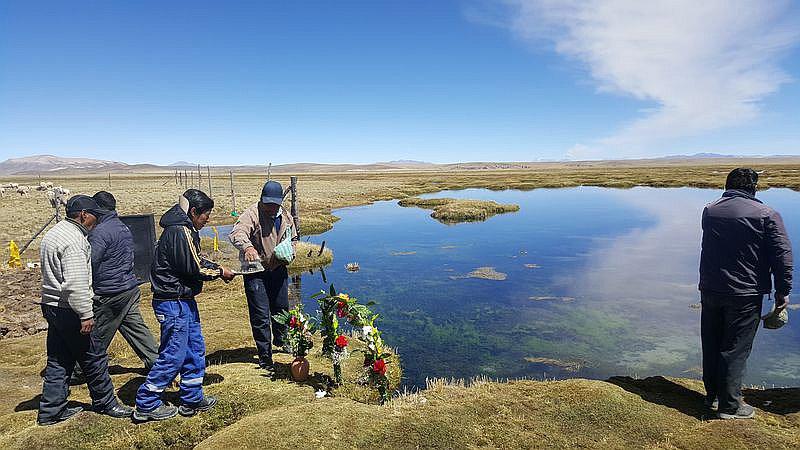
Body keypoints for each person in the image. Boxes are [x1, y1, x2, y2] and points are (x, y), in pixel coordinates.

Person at [699, 168, 793, 420]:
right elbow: (782, 256)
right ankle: (730, 406)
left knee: (712, 342)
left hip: (710, 288)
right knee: (735, 348)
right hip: (745, 292)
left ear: (727, 185)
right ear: (754, 187)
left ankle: (712, 396)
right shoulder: (767, 214)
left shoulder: (710, 210)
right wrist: (783, 291)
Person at [133, 189, 234, 422]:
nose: (208, 219)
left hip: (183, 301)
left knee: (194, 349)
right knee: (173, 355)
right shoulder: (180, 231)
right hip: (173, 303)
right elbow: (195, 268)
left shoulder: (183, 229)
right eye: (206, 215)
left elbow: (193, 260)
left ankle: (191, 397)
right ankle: (146, 403)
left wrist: (217, 267)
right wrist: (220, 272)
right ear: (194, 211)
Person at [37, 195, 133, 425]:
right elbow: (76, 283)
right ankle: (106, 402)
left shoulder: (54, 233)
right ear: (83, 215)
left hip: (51, 304)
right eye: (94, 217)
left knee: (59, 359)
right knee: (94, 356)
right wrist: (86, 314)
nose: (96, 222)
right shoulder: (74, 241)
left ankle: (51, 410)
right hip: (70, 308)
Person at [71, 191, 158, 381]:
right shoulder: (121, 226)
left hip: (110, 292)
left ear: (98, 209)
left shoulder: (100, 232)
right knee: (136, 329)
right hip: (128, 287)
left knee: (96, 334)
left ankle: (80, 371)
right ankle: (156, 362)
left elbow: (90, 262)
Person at [229, 180, 296, 371]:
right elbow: (237, 233)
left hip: (278, 269)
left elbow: (294, 237)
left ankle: (282, 341)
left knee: (281, 308)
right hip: (255, 271)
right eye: (268, 204)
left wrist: (291, 251)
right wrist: (248, 247)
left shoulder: (285, 216)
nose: (271, 208)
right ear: (262, 199)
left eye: (275, 204)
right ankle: (265, 356)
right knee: (260, 315)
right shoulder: (252, 213)